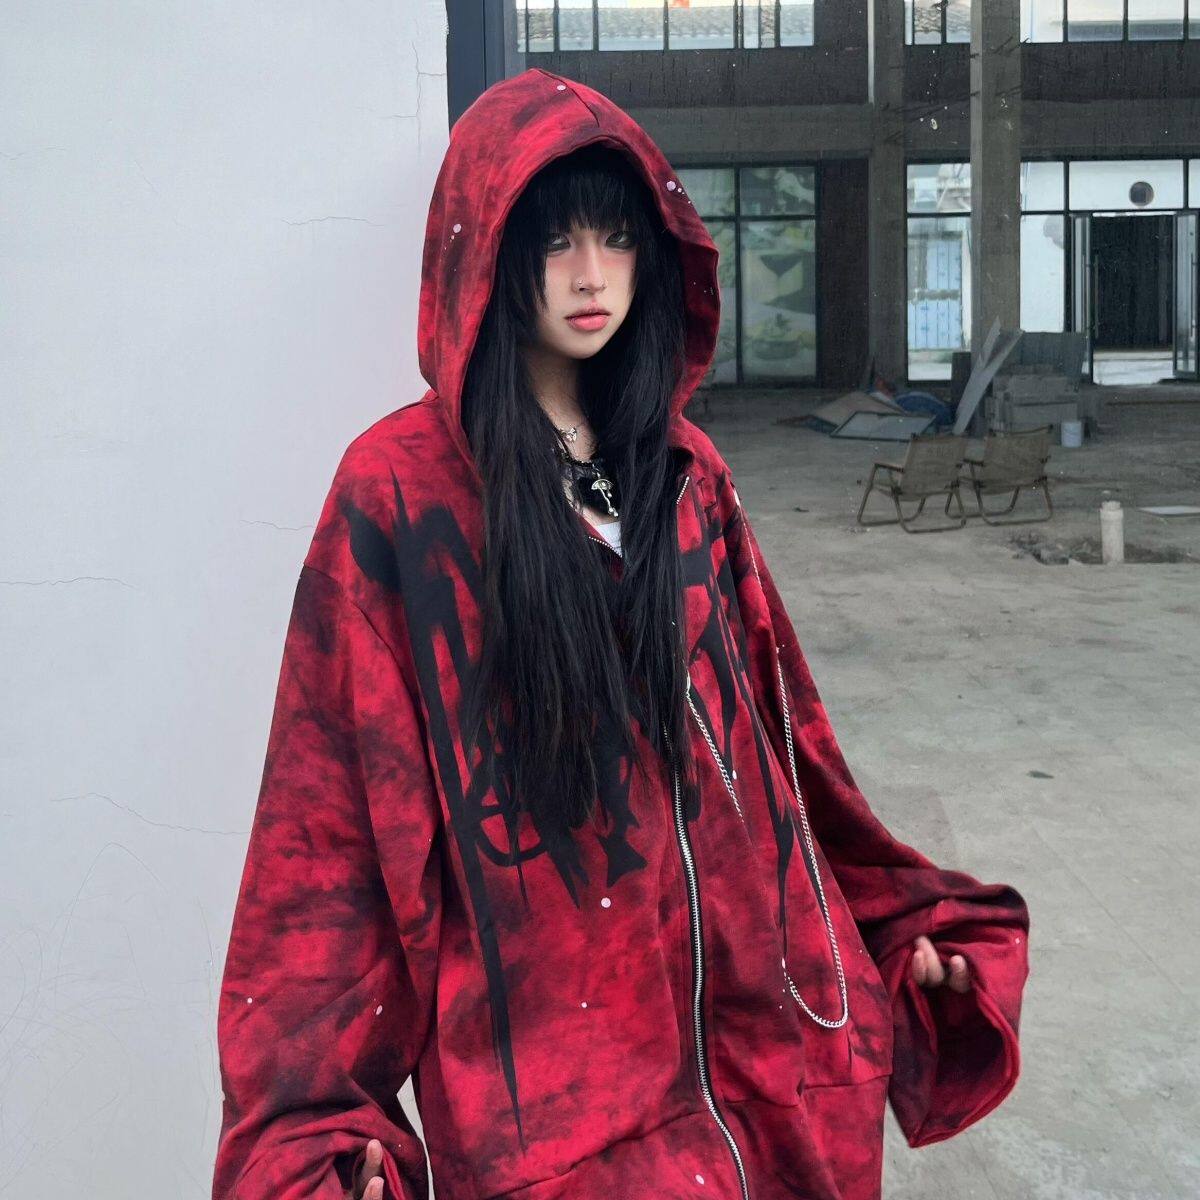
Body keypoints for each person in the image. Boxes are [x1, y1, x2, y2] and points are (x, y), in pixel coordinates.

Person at [211, 67, 1030, 1200]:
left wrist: (887, 927)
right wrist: (317, 1123)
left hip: (773, 1065)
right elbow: (331, 833)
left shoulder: (686, 470)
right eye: (554, 242)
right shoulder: (400, 497)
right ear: (484, 253)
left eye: (616, 238)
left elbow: (788, 752)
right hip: (563, 1116)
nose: (591, 276)